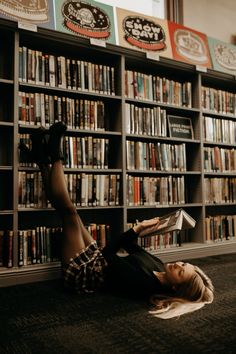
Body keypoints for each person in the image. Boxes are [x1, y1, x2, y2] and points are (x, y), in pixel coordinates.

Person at [19, 122, 214, 320]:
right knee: (70, 213)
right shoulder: (159, 265)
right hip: (98, 260)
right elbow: (129, 246)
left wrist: (136, 229)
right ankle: (42, 159)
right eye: (184, 263)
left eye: (180, 272)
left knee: (69, 213)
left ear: (175, 287)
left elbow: (109, 255)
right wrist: (147, 229)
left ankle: (55, 153)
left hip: (84, 275)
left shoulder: (144, 284)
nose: (177, 264)